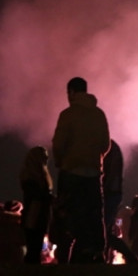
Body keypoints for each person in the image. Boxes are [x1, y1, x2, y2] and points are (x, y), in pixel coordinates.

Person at [52, 77, 111, 263]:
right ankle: (95, 252)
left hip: (70, 170)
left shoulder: (68, 114)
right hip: (93, 172)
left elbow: (59, 144)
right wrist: (96, 158)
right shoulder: (99, 114)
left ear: (72, 92)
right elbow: (105, 144)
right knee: (94, 213)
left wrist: (61, 162)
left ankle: (65, 255)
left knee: (67, 213)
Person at [20, 146, 53, 264]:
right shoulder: (31, 178)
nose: (46, 160)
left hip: (38, 214)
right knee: (33, 247)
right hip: (34, 215)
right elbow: (36, 196)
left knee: (35, 247)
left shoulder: (33, 176)